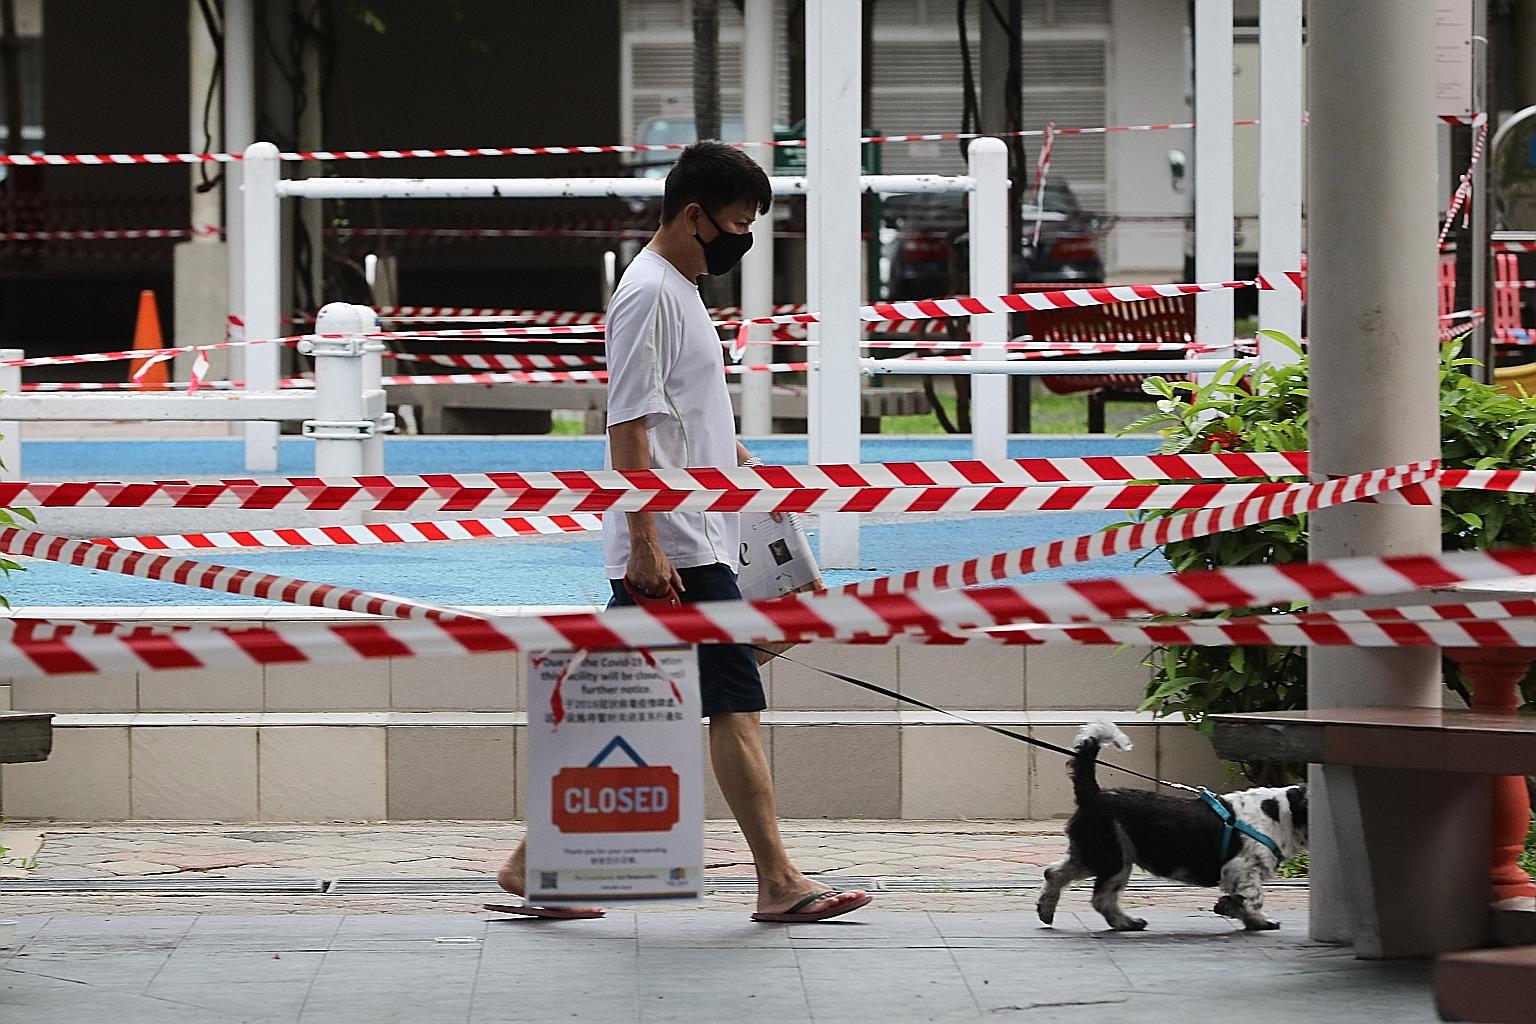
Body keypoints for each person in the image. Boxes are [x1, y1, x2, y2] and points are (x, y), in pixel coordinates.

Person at [497, 140, 872, 924]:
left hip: (691, 535)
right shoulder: (647, 295)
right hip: (674, 543)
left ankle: (534, 864)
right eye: (736, 225)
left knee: (622, 703)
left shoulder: (680, 288)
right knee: (732, 703)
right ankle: (777, 879)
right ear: (694, 216)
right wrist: (644, 542)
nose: (742, 241)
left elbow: (682, 415)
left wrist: (746, 473)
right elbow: (627, 423)